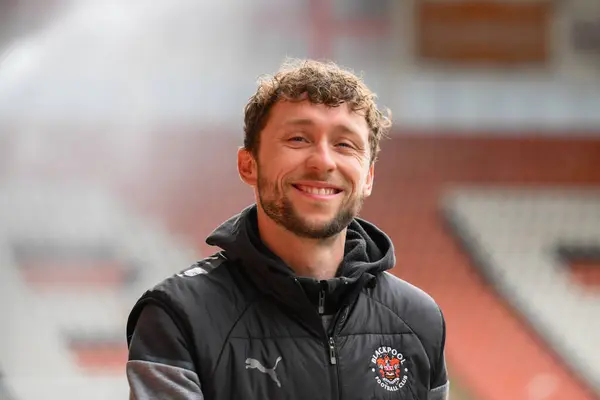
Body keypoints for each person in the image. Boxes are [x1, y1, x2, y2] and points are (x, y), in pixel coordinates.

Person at [126, 59, 449, 400]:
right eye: (298, 138)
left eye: (345, 144)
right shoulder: (179, 316)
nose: (323, 161)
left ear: (368, 177)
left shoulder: (418, 318)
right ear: (248, 165)